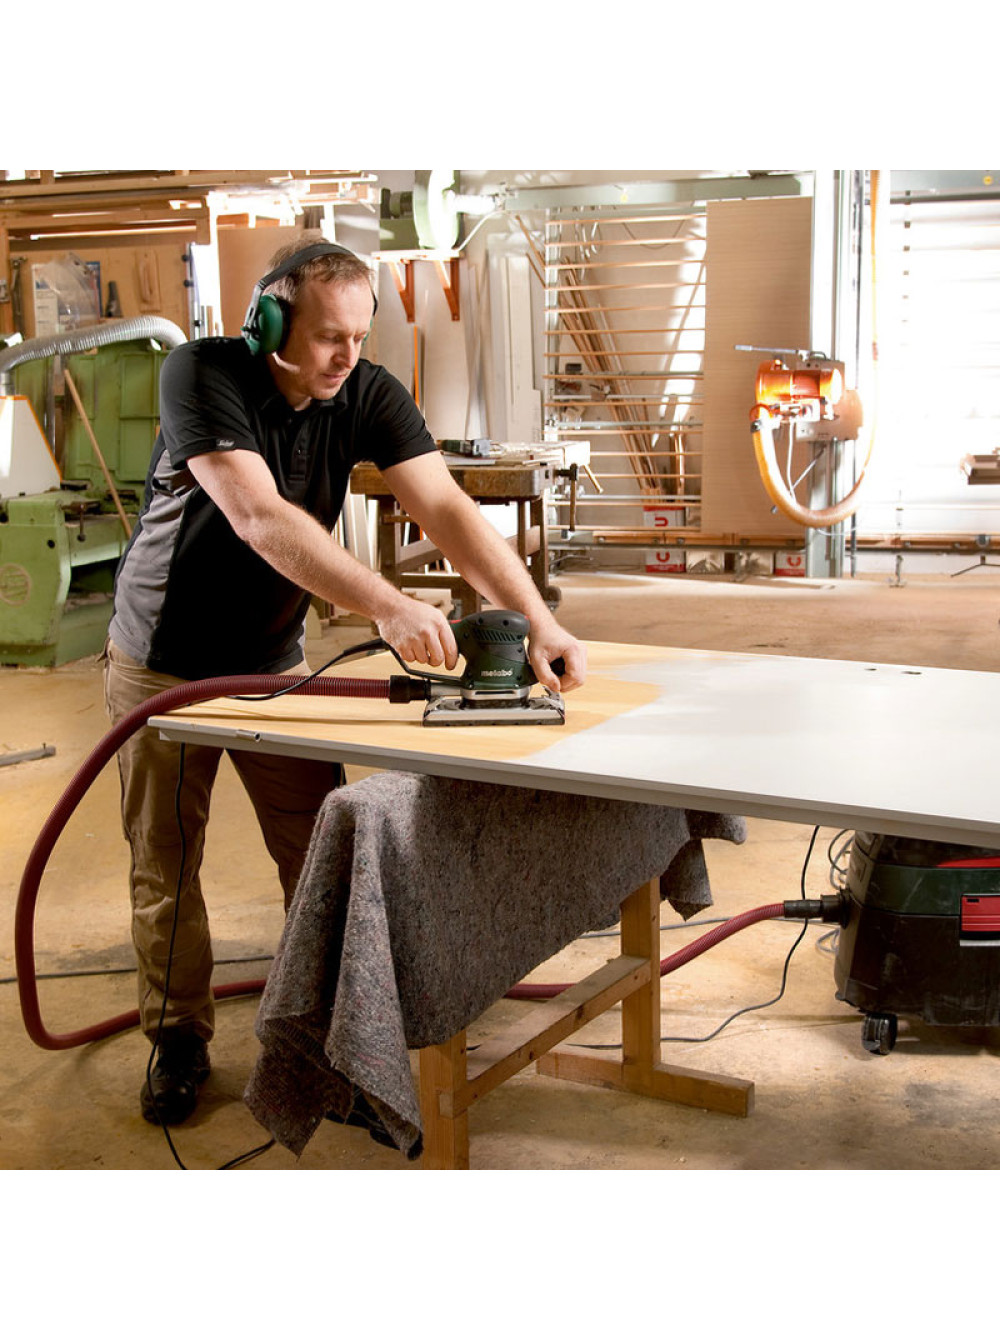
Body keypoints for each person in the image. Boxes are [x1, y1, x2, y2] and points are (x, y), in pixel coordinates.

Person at [103, 237, 587, 1129]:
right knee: (167, 861)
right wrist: (387, 605)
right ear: (267, 320)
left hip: (271, 661)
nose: (347, 357)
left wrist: (538, 616)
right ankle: (177, 1038)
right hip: (162, 660)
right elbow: (259, 517)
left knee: (320, 855)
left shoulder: (364, 389)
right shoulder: (199, 374)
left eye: (360, 337)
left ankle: (333, 1042)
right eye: (330, 336)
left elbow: (446, 507)